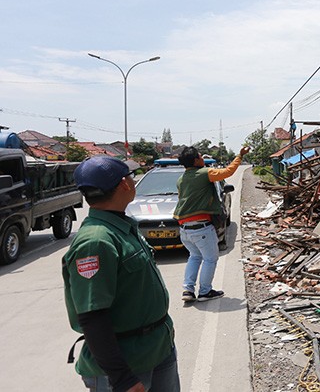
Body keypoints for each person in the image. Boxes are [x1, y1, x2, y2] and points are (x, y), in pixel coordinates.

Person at [62, 156, 179, 392]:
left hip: (157, 349)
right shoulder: (96, 241)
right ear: (124, 184)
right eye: (131, 177)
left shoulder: (120, 226)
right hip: (128, 366)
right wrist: (122, 378)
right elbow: (93, 317)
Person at [175, 145, 250, 303]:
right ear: (195, 161)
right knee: (210, 259)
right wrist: (240, 156)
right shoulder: (204, 173)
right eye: (200, 156)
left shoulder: (181, 179)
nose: (202, 158)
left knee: (194, 256)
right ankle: (205, 291)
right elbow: (228, 172)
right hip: (200, 227)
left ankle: (188, 290)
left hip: (184, 229)